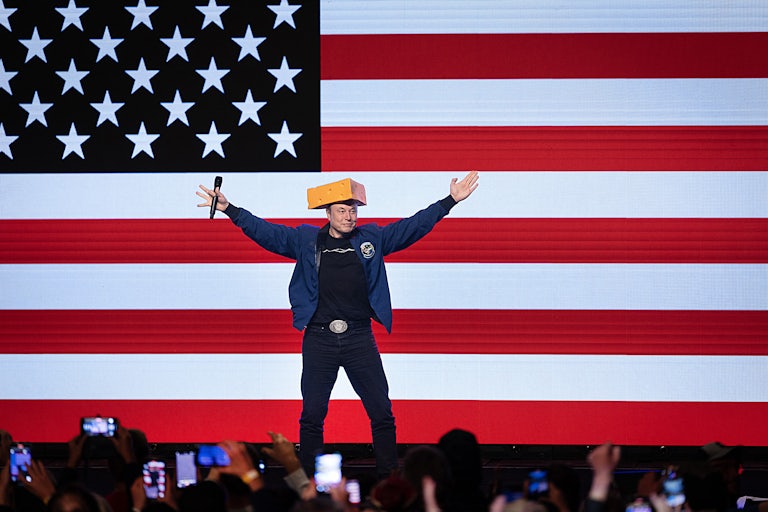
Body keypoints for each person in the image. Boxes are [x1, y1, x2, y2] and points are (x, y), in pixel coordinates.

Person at [196, 171, 480, 478]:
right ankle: (308, 484)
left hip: (359, 337)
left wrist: (449, 201)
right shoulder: (306, 240)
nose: (349, 216)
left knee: (382, 413)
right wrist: (230, 209)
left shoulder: (372, 239)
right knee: (312, 416)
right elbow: (267, 233)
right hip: (319, 339)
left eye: (353, 210)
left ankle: (389, 481)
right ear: (328, 214)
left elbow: (412, 226)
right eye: (342, 211)